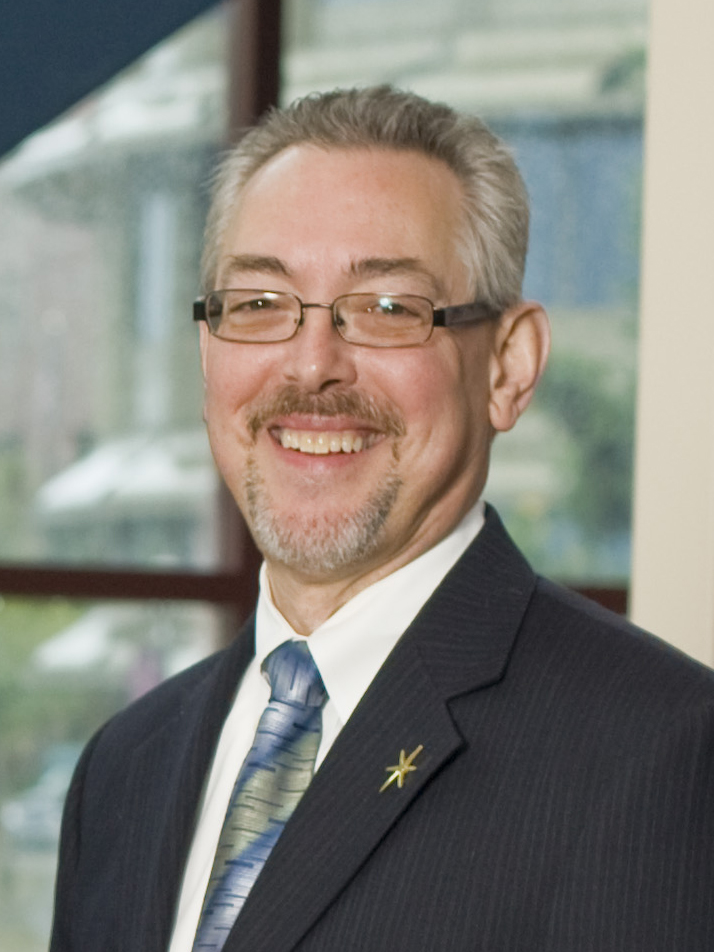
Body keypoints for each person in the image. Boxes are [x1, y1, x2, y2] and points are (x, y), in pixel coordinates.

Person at [50, 86, 714, 952]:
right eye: (259, 303)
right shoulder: (125, 768)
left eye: (388, 309)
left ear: (508, 367)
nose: (311, 366)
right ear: (208, 350)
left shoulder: (664, 753)